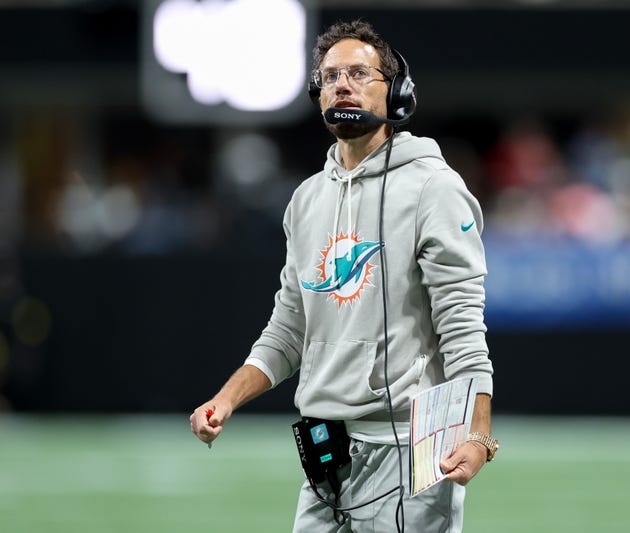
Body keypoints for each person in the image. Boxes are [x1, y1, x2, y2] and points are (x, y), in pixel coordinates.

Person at [190, 19, 496, 532]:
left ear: (396, 91)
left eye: (358, 73)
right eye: (330, 76)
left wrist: (479, 434)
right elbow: (288, 331)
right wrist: (226, 399)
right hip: (326, 448)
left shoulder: (434, 188)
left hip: (413, 446)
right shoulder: (307, 199)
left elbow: (462, 323)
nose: (342, 84)